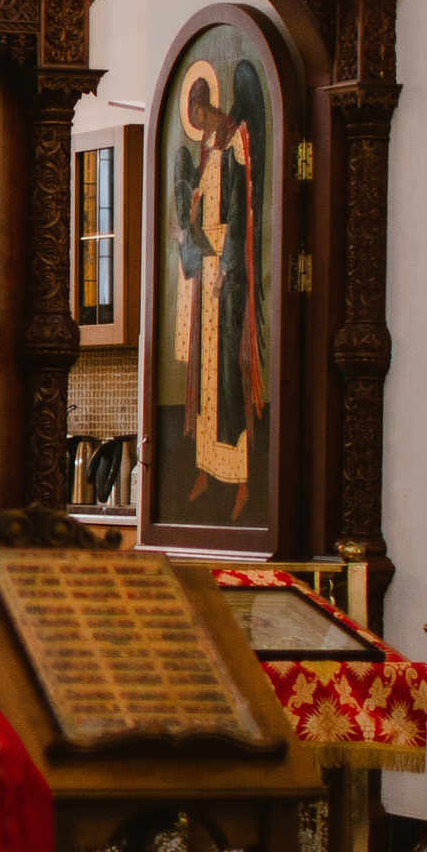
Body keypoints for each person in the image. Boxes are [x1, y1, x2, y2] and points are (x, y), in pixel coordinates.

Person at [173, 59, 266, 519]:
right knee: (204, 377)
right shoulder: (208, 150)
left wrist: (226, 270)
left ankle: (242, 479)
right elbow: (195, 210)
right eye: (194, 117)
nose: (200, 123)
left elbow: (239, 211)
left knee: (228, 377)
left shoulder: (234, 144)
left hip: (226, 280)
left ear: (209, 106)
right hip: (204, 271)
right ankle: (205, 470)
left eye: (202, 113)